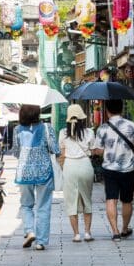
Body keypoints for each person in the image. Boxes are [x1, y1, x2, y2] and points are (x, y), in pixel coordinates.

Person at [92, 99, 134, 242]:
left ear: (107, 111)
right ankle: (124, 229)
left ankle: (115, 232)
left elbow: (99, 151)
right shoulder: (132, 126)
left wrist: (96, 150)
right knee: (127, 200)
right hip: (128, 169)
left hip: (109, 169)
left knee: (111, 199)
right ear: (122, 109)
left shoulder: (102, 129)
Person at [11, 104, 57, 251]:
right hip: (44, 173)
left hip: (25, 173)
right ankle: (40, 242)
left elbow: (16, 152)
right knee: (43, 206)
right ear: (38, 113)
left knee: (26, 205)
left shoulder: (17, 129)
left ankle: (30, 231)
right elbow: (54, 149)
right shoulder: (47, 128)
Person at [59, 104, 95, 243]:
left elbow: (62, 154)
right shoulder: (89, 132)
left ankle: (76, 234)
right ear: (82, 118)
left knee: (71, 201)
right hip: (85, 165)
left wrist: (62, 167)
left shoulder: (63, 133)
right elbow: (93, 150)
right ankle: (87, 233)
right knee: (87, 199)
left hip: (70, 166)